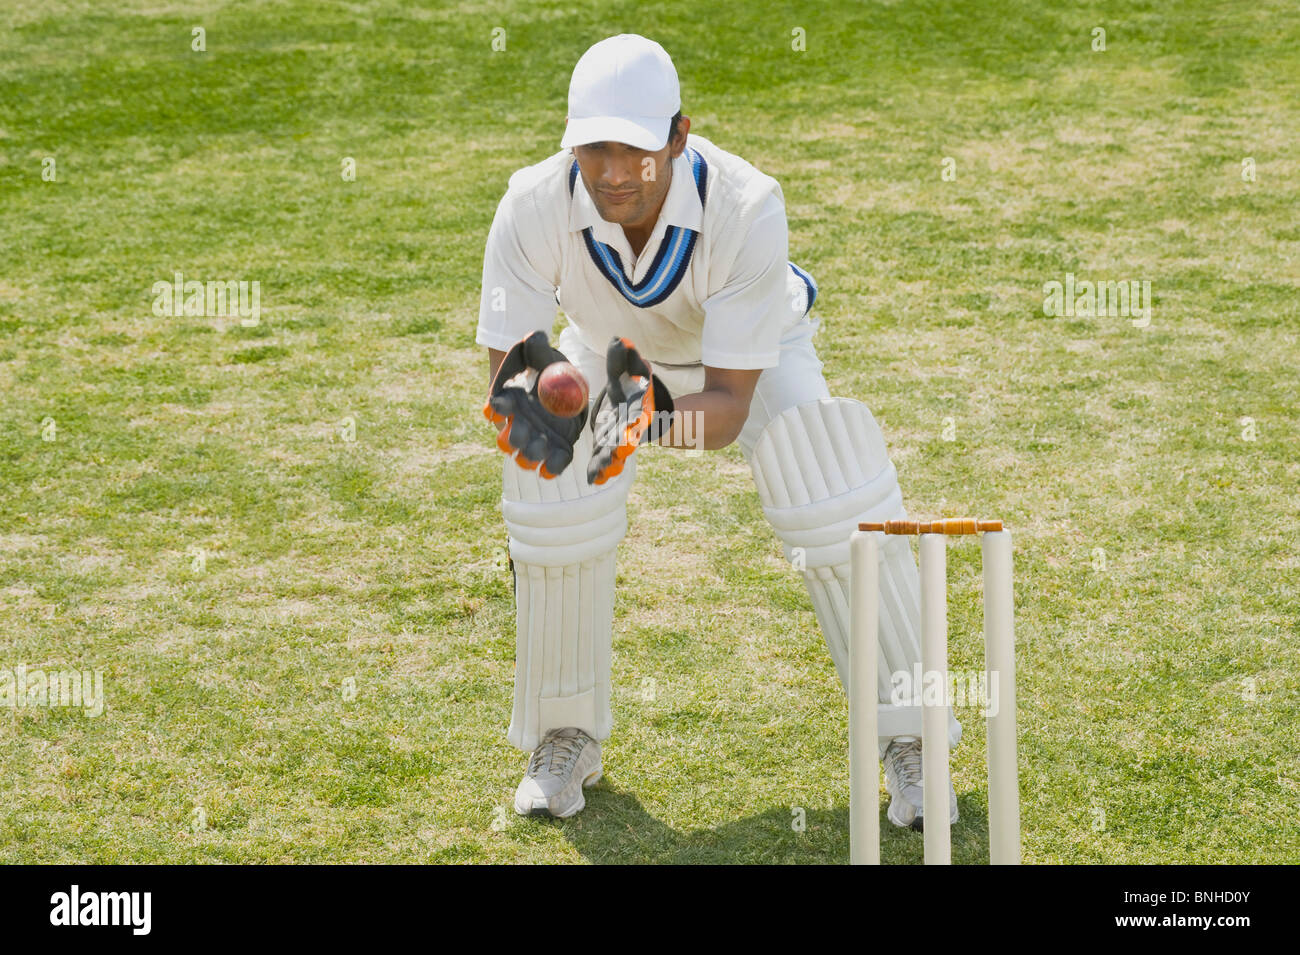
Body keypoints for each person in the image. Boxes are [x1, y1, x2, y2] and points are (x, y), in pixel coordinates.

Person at [477, 34, 960, 825]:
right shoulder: (532, 204)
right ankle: (564, 733)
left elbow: (730, 406)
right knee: (547, 485)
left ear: (677, 135)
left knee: (830, 485)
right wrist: (538, 410)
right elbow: (509, 382)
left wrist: (620, 423)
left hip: (753, 356)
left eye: (634, 149)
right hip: (609, 352)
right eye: (593, 148)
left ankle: (913, 740)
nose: (611, 172)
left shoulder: (746, 205)